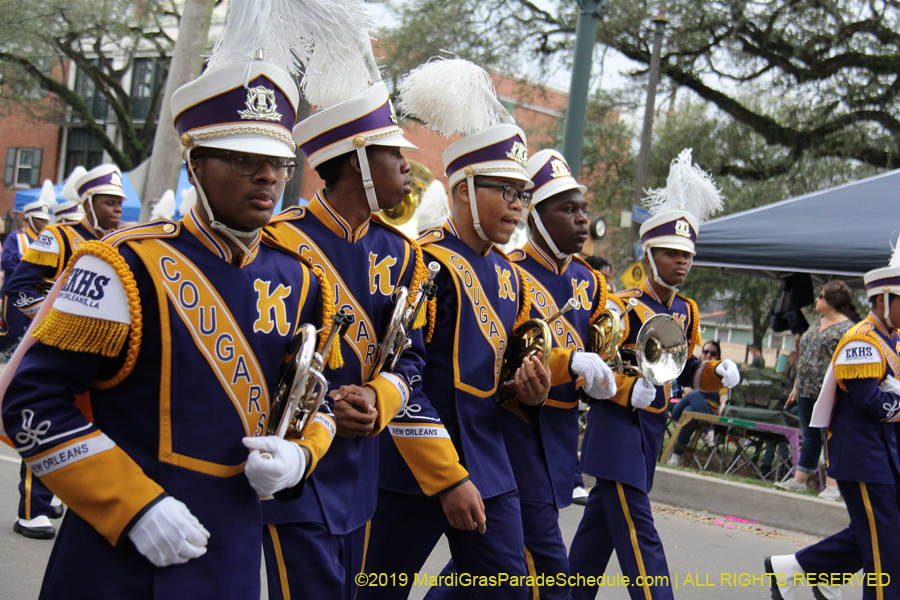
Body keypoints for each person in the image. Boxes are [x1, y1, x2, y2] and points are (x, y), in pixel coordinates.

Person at [0, 45, 338, 599]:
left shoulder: (301, 278)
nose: (267, 176)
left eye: (278, 162)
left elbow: (312, 397)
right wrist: (130, 504)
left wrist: (303, 455)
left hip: (231, 552)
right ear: (195, 164)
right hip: (123, 552)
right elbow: (32, 402)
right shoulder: (125, 265)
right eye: (242, 158)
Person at [359, 58, 613, 600]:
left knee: (507, 590)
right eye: (506, 192)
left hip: (490, 458)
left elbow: (512, 372)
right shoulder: (422, 262)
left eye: (523, 195)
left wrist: (532, 389)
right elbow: (403, 376)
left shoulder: (509, 274)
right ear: (463, 188)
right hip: (413, 459)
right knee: (376, 589)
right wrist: (446, 475)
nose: (518, 207)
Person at [260, 78, 434, 599]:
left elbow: (412, 360)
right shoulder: (279, 243)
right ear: (357, 162)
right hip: (297, 466)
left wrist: (380, 398)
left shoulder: (403, 253)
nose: (408, 165)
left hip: (362, 473)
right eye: (393, 154)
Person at [568, 149, 741, 600]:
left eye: (687, 254)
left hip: (650, 429)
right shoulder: (620, 303)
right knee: (639, 533)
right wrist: (627, 391)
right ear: (649, 253)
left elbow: (686, 373)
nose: (681, 261)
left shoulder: (687, 309)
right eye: (671, 253)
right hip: (617, 429)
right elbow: (596, 367)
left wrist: (717, 374)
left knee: (595, 539)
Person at [485, 149, 612, 599]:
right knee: (546, 566)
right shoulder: (508, 270)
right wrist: (565, 362)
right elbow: (500, 356)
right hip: (513, 429)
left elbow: (599, 352)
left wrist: (601, 379)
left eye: (584, 209)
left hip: (558, 434)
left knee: (490, 567)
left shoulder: (590, 281)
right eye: (568, 209)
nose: (582, 220)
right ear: (535, 216)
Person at [766, 259, 900, 600]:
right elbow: (871, 403)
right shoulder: (861, 342)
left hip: (884, 456)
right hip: (864, 457)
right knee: (887, 552)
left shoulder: (891, 339)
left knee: (877, 534)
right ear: (883, 299)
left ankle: (799, 569)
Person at [0, 184, 61, 539]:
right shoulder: (46, 238)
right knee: (41, 415)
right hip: (40, 326)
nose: (42, 221)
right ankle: (31, 508)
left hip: (81, 341)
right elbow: (17, 279)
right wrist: (52, 323)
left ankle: (49, 493)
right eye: (109, 203)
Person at [4, 164, 125, 321]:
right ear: (89, 206)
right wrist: (53, 321)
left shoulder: (118, 241)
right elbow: (18, 287)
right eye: (110, 203)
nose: (118, 209)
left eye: (119, 204)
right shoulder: (59, 236)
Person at [776, 280, 857, 500]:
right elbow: (805, 354)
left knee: (830, 437)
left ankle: (834, 485)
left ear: (832, 301)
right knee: (810, 436)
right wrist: (796, 385)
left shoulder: (847, 329)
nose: (817, 300)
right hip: (805, 389)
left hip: (829, 392)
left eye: (821, 296)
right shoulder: (815, 323)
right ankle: (799, 480)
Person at [666, 340, 729, 466]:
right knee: (694, 395)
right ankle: (709, 430)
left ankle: (676, 456)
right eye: (705, 352)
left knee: (690, 411)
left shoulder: (721, 379)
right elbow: (688, 390)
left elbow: (724, 396)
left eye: (713, 353)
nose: (708, 355)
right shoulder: (693, 371)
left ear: (718, 357)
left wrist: (723, 404)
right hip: (679, 409)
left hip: (695, 414)